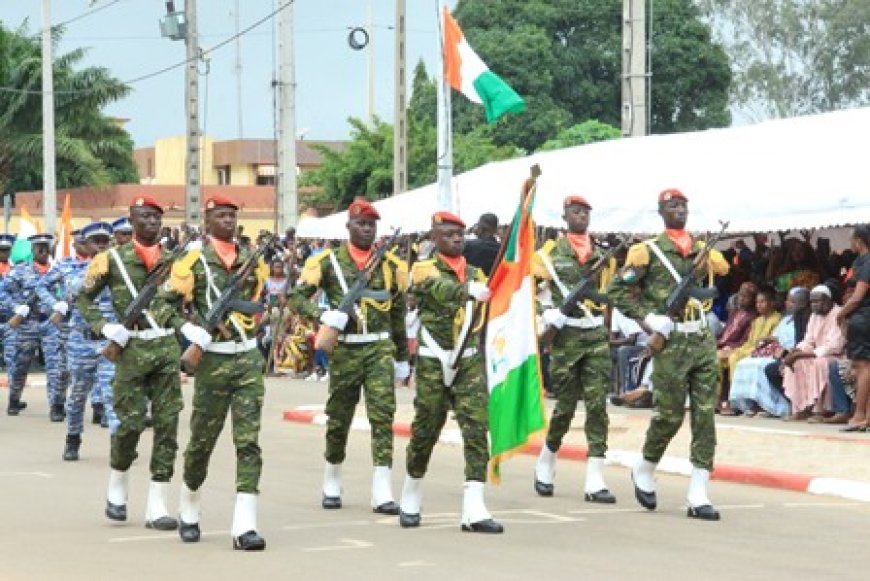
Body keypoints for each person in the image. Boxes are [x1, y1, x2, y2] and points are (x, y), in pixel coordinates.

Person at [609, 188, 729, 521]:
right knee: (670, 416)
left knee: (705, 415)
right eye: (672, 205)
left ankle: (699, 492)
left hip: (702, 339)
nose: (679, 210)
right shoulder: (645, 252)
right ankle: (645, 467)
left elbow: (721, 274)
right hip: (671, 342)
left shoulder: (701, 250)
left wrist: (706, 254)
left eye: (683, 205)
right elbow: (616, 290)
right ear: (661, 211)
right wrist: (647, 319)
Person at [157, 195, 268, 550]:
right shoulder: (193, 261)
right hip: (214, 361)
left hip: (247, 359)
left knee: (248, 442)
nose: (229, 221)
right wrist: (188, 330)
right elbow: (163, 305)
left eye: (233, 216)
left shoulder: (251, 261)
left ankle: (244, 525)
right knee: (202, 442)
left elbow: (258, 304)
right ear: (207, 221)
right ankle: (189, 506)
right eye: (221, 215)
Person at [287, 200, 409, 514]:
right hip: (346, 349)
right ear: (348, 227)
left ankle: (382, 489)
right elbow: (295, 296)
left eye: (371, 225)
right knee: (339, 416)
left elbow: (397, 313)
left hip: (379, 349)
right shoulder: (327, 262)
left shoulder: (390, 265)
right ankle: (332, 477)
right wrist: (324, 315)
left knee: (383, 417)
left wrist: (402, 356)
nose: (367, 230)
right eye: (361, 224)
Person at [77, 195, 183, 530]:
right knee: (131, 425)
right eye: (144, 217)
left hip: (165, 349)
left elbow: (184, 301)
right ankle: (118, 485)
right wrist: (104, 327)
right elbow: (83, 297)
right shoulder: (111, 260)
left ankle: (158, 504)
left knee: (167, 426)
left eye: (156, 217)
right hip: (131, 352)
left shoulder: (174, 261)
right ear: (132, 220)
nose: (151, 223)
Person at [398, 211, 502, 533]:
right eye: (448, 233)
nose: (456, 238)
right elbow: (438, 289)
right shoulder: (424, 267)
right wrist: (467, 291)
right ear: (434, 237)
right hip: (434, 359)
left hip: (467, 360)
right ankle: (411, 491)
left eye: (460, 233)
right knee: (427, 427)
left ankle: (474, 506)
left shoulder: (474, 273)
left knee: (476, 429)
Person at [531, 195, 616, 503]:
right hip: (565, 338)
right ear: (565, 216)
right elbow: (532, 289)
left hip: (594, 337)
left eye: (585, 212)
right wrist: (547, 315)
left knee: (597, 406)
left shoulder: (603, 254)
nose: (581, 216)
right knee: (565, 408)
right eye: (575, 212)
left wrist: (608, 328)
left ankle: (595, 478)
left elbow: (610, 294)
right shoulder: (549, 253)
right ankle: (547, 458)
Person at [43, 223, 117, 460]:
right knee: (77, 395)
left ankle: (119, 446)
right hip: (80, 341)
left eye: (105, 242)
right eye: (96, 241)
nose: (100, 246)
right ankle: (73, 438)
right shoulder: (72, 268)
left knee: (111, 394)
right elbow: (73, 287)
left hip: (108, 341)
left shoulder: (120, 269)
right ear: (85, 244)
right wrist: (55, 305)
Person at [2, 233, 69, 420]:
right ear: (32, 250)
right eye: (38, 248)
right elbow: (3, 293)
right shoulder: (20, 271)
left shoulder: (58, 271)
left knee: (56, 366)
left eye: (45, 247)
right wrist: (16, 307)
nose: (42, 251)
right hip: (26, 324)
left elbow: (69, 292)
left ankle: (56, 405)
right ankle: (14, 399)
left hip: (51, 323)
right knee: (19, 365)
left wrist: (62, 304)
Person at [729, 287, 810, 418]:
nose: (787, 304)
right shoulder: (785, 320)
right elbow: (776, 337)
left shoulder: (805, 319)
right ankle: (750, 404)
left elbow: (798, 342)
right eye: (788, 300)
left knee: (762, 366)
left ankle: (771, 405)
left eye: (792, 301)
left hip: (789, 353)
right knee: (743, 363)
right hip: (776, 351)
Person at [781, 285, 844, 421]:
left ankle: (820, 411)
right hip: (815, 354)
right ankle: (802, 408)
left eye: (817, 302)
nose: (814, 305)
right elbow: (808, 340)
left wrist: (801, 354)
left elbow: (834, 346)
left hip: (836, 356)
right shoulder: (815, 316)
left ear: (828, 300)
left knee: (819, 363)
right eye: (812, 302)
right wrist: (797, 351)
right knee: (796, 363)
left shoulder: (839, 314)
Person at [718, 286, 781, 415]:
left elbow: (773, 341)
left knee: (734, 358)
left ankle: (736, 401)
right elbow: (749, 341)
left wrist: (735, 351)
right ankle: (718, 400)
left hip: (763, 351)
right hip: (749, 348)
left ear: (772, 303)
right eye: (757, 302)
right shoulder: (757, 320)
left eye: (762, 302)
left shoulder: (777, 319)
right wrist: (735, 349)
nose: (759, 305)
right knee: (721, 357)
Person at [836, 225, 870, 432]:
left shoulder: (866, 262)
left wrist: (841, 313)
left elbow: (857, 297)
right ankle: (866, 415)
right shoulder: (859, 261)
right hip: (864, 317)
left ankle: (858, 415)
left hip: (863, 318)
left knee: (861, 367)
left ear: (858, 241)